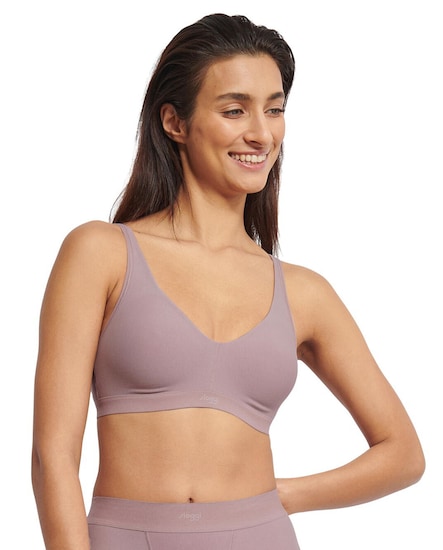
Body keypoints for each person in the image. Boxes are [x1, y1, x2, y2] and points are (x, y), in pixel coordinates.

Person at [31, 13, 425, 550]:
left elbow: (402, 453)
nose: (261, 133)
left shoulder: (303, 292)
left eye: (274, 109)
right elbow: (53, 456)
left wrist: (279, 497)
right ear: (175, 122)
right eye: (234, 110)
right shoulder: (101, 253)